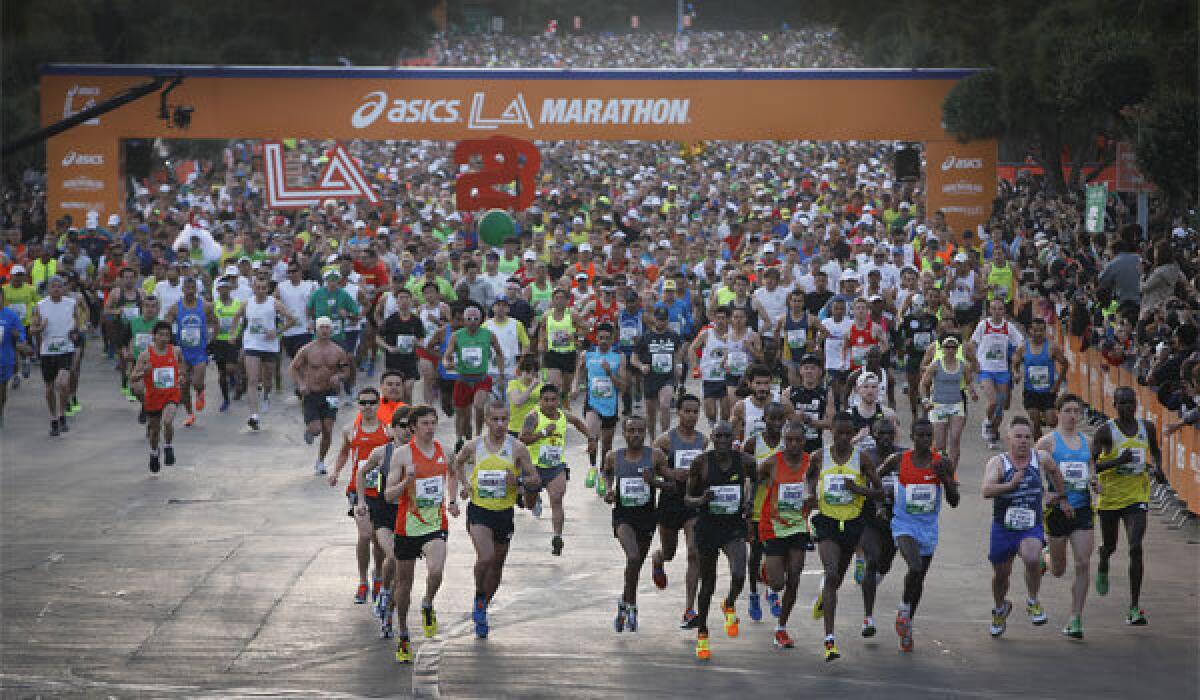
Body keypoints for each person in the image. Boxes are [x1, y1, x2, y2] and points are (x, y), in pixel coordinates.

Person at [454, 398, 540, 639]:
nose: (500, 424)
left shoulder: (517, 448)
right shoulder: (474, 446)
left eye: (504, 419)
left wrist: (520, 481)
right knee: (486, 557)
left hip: (504, 513)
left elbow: (535, 479)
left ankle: (482, 606)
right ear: (486, 421)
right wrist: (465, 485)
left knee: (497, 566)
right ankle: (479, 594)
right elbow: (457, 462)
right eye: (495, 419)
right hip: (479, 510)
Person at [379, 405, 458, 663]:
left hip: (435, 525)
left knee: (436, 572)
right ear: (413, 427)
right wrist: (405, 482)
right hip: (407, 528)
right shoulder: (402, 455)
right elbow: (388, 495)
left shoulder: (445, 451)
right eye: (424, 423)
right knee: (404, 586)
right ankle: (403, 633)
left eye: (433, 422)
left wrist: (454, 500)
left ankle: (427, 603)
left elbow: (454, 474)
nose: (430, 427)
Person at [982, 416, 1071, 637]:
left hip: (1030, 524)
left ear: (1033, 439)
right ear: (1008, 438)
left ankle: (1032, 601)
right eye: (1018, 436)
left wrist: (1061, 497)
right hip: (1004, 527)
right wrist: (1010, 485)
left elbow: (1055, 471)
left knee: (1032, 557)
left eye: (1027, 437)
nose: (1023, 441)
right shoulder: (998, 463)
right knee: (1001, 576)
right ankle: (1000, 608)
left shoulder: (1040, 458)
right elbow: (986, 490)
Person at [804, 411, 882, 661]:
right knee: (832, 573)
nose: (844, 438)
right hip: (827, 522)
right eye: (840, 433)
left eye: (849, 433)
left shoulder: (862, 459)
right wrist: (810, 495)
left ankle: (824, 598)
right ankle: (830, 640)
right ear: (832, 432)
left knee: (835, 579)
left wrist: (858, 489)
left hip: (852, 524)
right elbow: (809, 478)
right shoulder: (819, 456)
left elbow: (879, 492)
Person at [877, 417, 959, 652]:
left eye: (928, 436)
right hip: (903, 524)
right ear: (912, 438)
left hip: (928, 528)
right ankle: (903, 611)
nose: (924, 440)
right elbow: (875, 477)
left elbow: (954, 502)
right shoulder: (898, 460)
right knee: (914, 566)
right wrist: (881, 501)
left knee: (919, 578)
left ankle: (908, 623)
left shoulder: (941, 462)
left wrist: (944, 478)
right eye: (920, 436)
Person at [684, 419, 756, 661]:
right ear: (712, 439)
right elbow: (687, 499)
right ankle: (702, 631)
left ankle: (729, 603)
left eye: (728, 437)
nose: (724, 441)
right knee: (708, 584)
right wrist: (702, 499)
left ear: (734, 438)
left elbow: (755, 481)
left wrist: (750, 502)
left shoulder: (745, 461)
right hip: (708, 528)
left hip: (733, 528)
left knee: (739, 575)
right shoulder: (701, 463)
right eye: (719, 437)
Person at [1091, 386, 1164, 626]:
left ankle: (1134, 606)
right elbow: (1091, 467)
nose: (1127, 407)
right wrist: (1118, 461)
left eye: (1131, 402)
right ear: (1114, 405)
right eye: (1122, 403)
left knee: (1135, 547)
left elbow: (1155, 450)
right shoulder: (1105, 432)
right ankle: (1103, 559)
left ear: (1136, 404)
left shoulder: (1147, 427)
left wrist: (1158, 469)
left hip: (1137, 495)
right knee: (1111, 546)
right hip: (1111, 497)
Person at [603, 415, 671, 632]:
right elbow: (607, 475)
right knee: (632, 557)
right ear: (623, 433)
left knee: (636, 565)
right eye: (631, 430)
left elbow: (672, 486)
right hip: (623, 517)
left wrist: (655, 483)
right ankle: (632, 606)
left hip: (647, 517)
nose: (635, 435)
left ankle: (623, 602)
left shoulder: (656, 456)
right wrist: (608, 490)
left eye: (640, 430)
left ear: (646, 432)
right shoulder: (614, 456)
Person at [1036, 394, 1095, 639]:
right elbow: (1031, 473)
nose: (1073, 416)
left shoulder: (1087, 441)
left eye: (1077, 411)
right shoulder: (1047, 443)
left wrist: (1094, 480)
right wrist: (1046, 495)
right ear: (1057, 413)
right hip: (1057, 511)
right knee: (1059, 570)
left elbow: (1091, 466)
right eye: (1068, 410)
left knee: (1082, 562)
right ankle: (1046, 559)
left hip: (1082, 508)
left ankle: (1075, 618)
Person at [649, 393, 707, 628]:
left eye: (695, 411)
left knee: (694, 552)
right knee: (670, 552)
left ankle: (689, 609)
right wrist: (671, 476)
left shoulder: (703, 441)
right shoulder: (664, 441)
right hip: (671, 502)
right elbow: (651, 471)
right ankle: (658, 559)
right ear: (678, 412)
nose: (691, 415)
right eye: (687, 411)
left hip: (693, 501)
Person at [330, 386, 392, 605]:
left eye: (372, 402)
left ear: (378, 404)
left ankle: (377, 576)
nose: (367, 407)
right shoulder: (350, 430)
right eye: (363, 402)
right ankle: (363, 581)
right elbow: (344, 451)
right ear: (358, 404)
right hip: (358, 490)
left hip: (382, 491)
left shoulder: (388, 431)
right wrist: (336, 471)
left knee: (378, 539)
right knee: (365, 535)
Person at [755, 418, 813, 649]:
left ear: (804, 441)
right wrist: (749, 510)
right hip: (773, 525)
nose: (794, 445)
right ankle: (765, 572)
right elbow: (754, 484)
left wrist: (814, 499)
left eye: (798, 440)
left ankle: (781, 628)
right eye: (789, 440)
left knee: (795, 576)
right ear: (783, 441)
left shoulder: (811, 463)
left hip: (798, 525)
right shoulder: (771, 463)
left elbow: (817, 486)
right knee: (777, 583)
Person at [520, 384, 594, 555]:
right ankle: (533, 498)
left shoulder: (562, 415)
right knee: (528, 504)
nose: (550, 403)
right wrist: (543, 433)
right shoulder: (533, 416)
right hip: (534, 468)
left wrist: (590, 437)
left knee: (557, 499)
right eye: (546, 400)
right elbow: (523, 438)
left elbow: (577, 422)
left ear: (558, 401)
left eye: (553, 400)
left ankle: (557, 536)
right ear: (540, 401)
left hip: (555, 467)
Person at [740, 400, 787, 624]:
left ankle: (772, 592)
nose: (776, 423)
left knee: (776, 556)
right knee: (756, 554)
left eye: (780, 419)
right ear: (764, 419)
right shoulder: (752, 444)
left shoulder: (788, 445)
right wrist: (745, 505)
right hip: (757, 508)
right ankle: (753, 594)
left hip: (779, 509)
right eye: (772, 418)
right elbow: (743, 476)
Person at [232, 277, 300, 430]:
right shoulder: (246, 303)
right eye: (258, 288)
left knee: (267, 380)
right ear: (253, 288)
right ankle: (254, 415)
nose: (261, 291)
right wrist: (233, 333)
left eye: (264, 288)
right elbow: (236, 317)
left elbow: (292, 320)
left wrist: (277, 332)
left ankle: (266, 395)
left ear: (268, 289)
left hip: (269, 346)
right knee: (253, 379)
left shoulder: (273, 303)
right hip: (252, 344)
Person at [290, 316, 355, 474]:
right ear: (316, 329)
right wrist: (301, 384)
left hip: (331, 394)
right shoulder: (307, 350)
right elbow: (293, 368)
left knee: (328, 428)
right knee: (317, 429)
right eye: (322, 327)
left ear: (331, 330)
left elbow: (346, 371)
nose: (325, 330)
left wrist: (339, 376)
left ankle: (320, 461)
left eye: (327, 327)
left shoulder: (338, 351)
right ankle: (310, 430)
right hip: (312, 393)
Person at [857, 417, 903, 639]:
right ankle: (868, 618)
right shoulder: (866, 458)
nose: (885, 438)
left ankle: (870, 580)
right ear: (873, 436)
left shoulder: (903, 456)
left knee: (884, 565)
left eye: (889, 434)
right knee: (872, 560)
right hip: (870, 519)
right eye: (880, 434)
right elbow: (860, 486)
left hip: (896, 520)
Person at [442, 302, 506, 451]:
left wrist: (501, 373)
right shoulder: (456, 336)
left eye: (475, 319)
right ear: (464, 320)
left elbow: (499, 353)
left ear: (481, 320)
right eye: (469, 319)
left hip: (481, 379)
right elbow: (447, 356)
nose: (472, 322)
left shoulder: (488, 335)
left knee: (478, 406)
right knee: (461, 415)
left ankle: (478, 436)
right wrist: (447, 364)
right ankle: (460, 438)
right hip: (463, 379)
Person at [30, 276, 84, 436]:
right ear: (48, 289)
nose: (56, 289)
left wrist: (75, 332)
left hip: (65, 349)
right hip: (47, 351)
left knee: (62, 383)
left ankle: (62, 414)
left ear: (64, 288)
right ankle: (53, 418)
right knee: (49, 388)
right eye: (53, 287)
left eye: (59, 286)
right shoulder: (40, 306)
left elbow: (78, 322)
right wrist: (40, 328)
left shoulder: (71, 303)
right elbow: (31, 330)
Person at [574, 322, 624, 490]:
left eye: (607, 338)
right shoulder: (587, 355)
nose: (603, 341)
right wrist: (575, 387)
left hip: (610, 406)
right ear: (596, 338)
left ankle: (603, 473)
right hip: (592, 404)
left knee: (607, 445)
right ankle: (592, 467)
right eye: (600, 338)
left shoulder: (618, 357)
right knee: (592, 436)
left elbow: (623, 387)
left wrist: (610, 372)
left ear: (612, 340)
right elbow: (579, 371)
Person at [968, 299, 1023, 449]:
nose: (997, 312)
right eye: (994, 308)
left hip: (1002, 370)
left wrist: (1016, 357)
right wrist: (974, 362)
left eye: (1000, 309)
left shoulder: (1008, 326)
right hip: (986, 369)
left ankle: (993, 433)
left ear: (1004, 311)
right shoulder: (983, 325)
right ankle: (986, 422)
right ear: (989, 311)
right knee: (992, 401)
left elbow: (1021, 343)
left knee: (1001, 407)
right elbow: (972, 344)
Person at [129, 321, 183, 472]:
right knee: (154, 432)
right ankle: (154, 453)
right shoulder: (145, 355)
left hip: (171, 394)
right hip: (153, 398)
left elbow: (183, 367)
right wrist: (143, 372)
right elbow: (132, 378)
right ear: (154, 336)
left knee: (167, 420)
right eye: (160, 335)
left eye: (167, 335)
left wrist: (182, 376)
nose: (164, 338)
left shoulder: (176, 351)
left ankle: (168, 446)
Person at [920, 334, 977, 469]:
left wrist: (972, 392)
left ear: (957, 349)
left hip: (956, 404)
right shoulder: (935, 365)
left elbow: (968, 382)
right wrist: (925, 400)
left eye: (953, 347)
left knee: (955, 438)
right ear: (943, 348)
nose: (950, 350)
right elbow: (923, 384)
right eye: (947, 347)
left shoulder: (963, 365)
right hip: (938, 405)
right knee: (939, 443)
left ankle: (952, 472)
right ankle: (937, 469)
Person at [163, 277, 213, 427]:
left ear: (196, 290)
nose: (190, 291)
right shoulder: (175, 308)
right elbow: (165, 326)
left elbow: (214, 322)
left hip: (199, 352)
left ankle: (200, 391)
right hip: (182, 353)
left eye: (193, 288)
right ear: (183, 289)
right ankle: (190, 414)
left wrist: (211, 339)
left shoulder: (205, 306)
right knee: (183, 385)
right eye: (187, 288)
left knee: (196, 382)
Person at [1011, 317, 1068, 440]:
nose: (1038, 333)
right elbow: (1014, 363)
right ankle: (1039, 448)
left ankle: (1045, 418)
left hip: (1048, 391)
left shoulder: (1051, 347)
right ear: (1030, 331)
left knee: (1052, 421)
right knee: (1035, 423)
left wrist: (1058, 384)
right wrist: (1015, 373)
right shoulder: (1023, 347)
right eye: (1035, 330)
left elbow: (1065, 363)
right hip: (1031, 391)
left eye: (1041, 330)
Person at [631, 307, 685, 438]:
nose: (661, 322)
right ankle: (653, 439)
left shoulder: (673, 336)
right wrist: (641, 366)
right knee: (651, 413)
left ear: (668, 320)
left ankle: (664, 438)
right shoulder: (645, 337)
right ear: (654, 319)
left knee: (665, 405)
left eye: (664, 320)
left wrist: (678, 365)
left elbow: (678, 352)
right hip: (650, 378)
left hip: (667, 378)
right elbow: (633, 358)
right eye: (659, 320)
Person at [376, 287, 425, 404]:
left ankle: (408, 417)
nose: (404, 300)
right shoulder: (390, 320)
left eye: (406, 297)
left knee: (408, 390)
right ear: (397, 301)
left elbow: (422, 340)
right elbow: (378, 338)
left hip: (410, 360)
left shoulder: (416, 320)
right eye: (401, 298)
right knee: (395, 393)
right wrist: (388, 348)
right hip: (393, 361)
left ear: (411, 300)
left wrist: (417, 343)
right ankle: (396, 416)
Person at [539, 288, 585, 403]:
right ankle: (556, 406)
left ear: (567, 300)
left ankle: (564, 400)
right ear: (553, 300)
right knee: (555, 384)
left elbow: (586, 329)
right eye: (556, 298)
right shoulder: (547, 315)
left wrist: (574, 335)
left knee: (566, 386)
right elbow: (542, 329)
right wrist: (541, 341)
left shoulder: (572, 314)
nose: (559, 301)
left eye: (562, 298)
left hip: (569, 354)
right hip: (553, 353)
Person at [692, 305, 733, 423]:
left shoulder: (733, 334)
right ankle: (713, 429)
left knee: (726, 414)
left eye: (723, 318)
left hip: (726, 378)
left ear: (728, 319)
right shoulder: (706, 334)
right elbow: (692, 349)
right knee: (711, 414)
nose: (720, 321)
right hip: (709, 377)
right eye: (718, 318)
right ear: (714, 319)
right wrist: (695, 367)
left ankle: (722, 435)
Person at [788, 354, 834, 455]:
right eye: (806, 368)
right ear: (800, 371)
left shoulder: (826, 394)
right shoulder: (790, 392)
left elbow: (831, 423)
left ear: (820, 372)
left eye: (813, 368)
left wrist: (811, 421)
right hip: (793, 445)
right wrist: (795, 418)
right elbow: (783, 417)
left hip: (815, 445)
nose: (809, 371)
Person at [0, 286, 29, 426]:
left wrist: (19, 337)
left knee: (2, 390)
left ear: (2, 298)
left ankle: (0, 413)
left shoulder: (11, 316)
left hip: (5, 358)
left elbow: (22, 334)